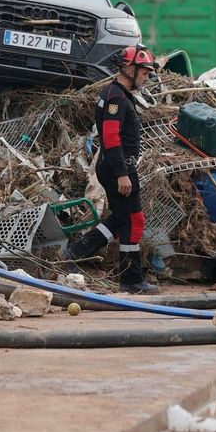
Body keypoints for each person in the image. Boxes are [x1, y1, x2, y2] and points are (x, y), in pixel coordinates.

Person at [65, 45, 160, 294]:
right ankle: (130, 279)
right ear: (129, 68)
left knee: (120, 219)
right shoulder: (116, 97)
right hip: (118, 166)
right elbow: (110, 137)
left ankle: (75, 251)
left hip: (116, 165)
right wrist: (122, 174)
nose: (147, 76)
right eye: (144, 71)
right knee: (134, 220)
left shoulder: (118, 94)